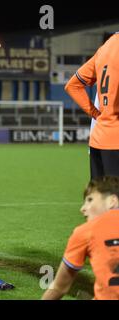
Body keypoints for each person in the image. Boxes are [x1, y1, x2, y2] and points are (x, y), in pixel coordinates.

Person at [42, 176, 119, 300]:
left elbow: (59, 287)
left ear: (112, 201)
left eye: (90, 200)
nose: (82, 208)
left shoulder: (86, 231)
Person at [65, 32, 119, 179]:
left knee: (99, 199)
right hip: (116, 142)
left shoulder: (104, 49)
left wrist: (97, 115)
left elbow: (72, 86)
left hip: (98, 138)